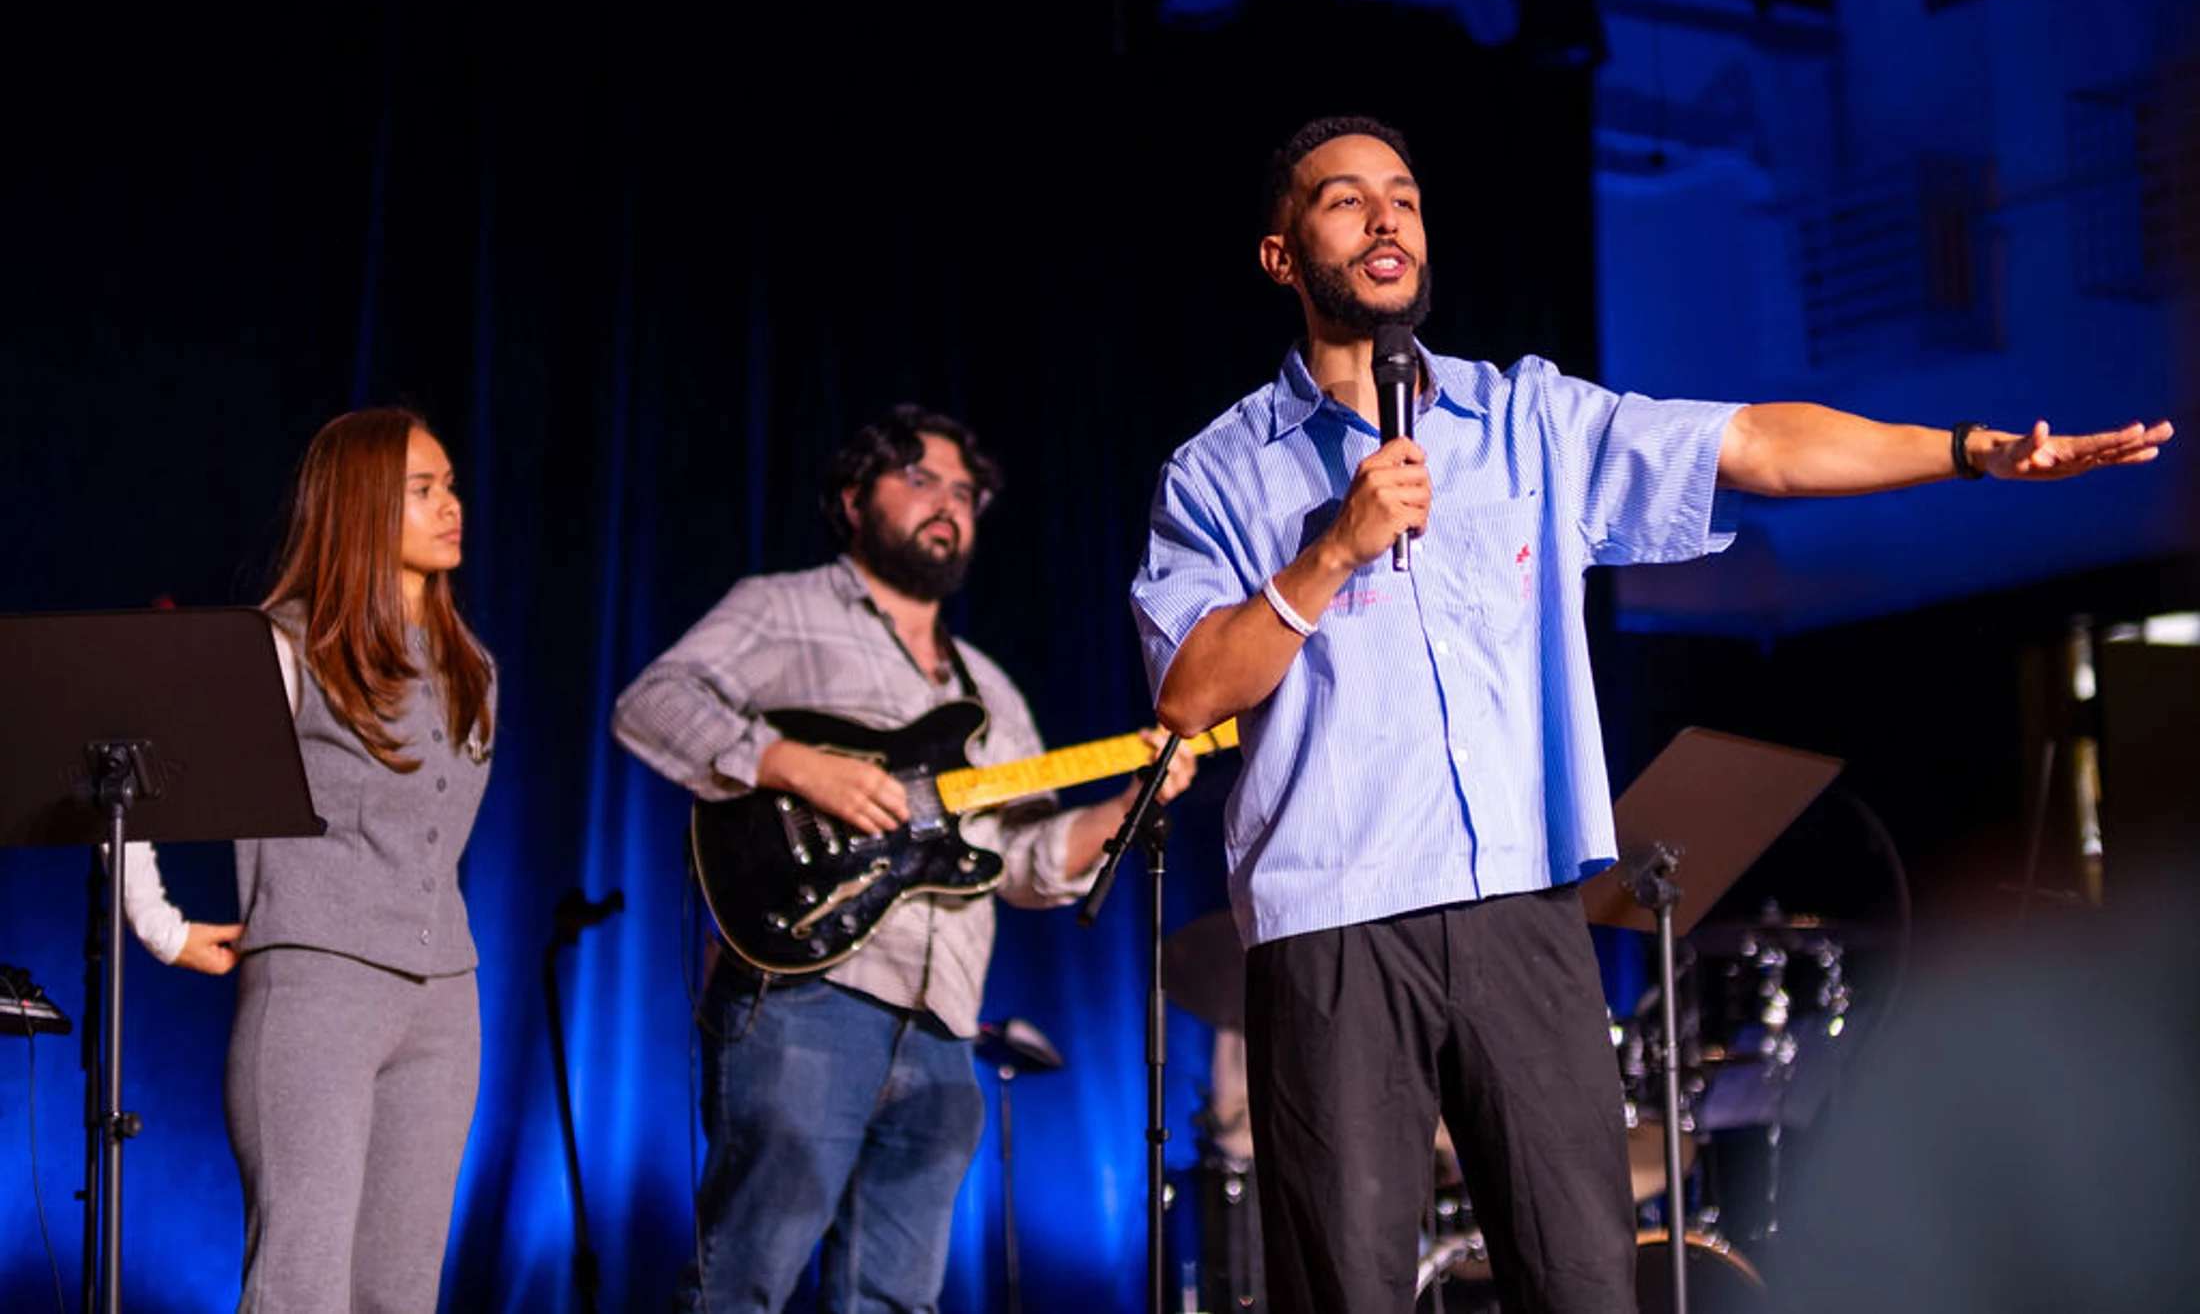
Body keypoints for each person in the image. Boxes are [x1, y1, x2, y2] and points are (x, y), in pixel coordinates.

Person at [1128, 115, 2174, 1314]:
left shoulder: (1527, 420)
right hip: (1335, 924)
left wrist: (1969, 451)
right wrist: (1332, 554)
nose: (1385, 220)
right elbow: (1191, 688)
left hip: (1522, 904)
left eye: (1405, 198)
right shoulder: (1214, 473)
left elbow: (1762, 445)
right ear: (1281, 255)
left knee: (1586, 1283)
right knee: (1346, 1292)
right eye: (1345, 199)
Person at [612, 403, 1195, 1314]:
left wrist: (1130, 802)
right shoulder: (783, 608)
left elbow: (1027, 861)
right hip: (805, 996)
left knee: (894, 1302)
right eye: (920, 479)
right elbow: (652, 703)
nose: (949, 505)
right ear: (852, 498)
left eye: (964, 493)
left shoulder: (989, 691)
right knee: (741, 1284)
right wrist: (798, 766)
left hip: (944, 1026)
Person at [124, 407, 496, 1314]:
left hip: (445, 1000)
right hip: (317, 990)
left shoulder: (471, 665)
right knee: (303, 1285)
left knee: (399, 1293)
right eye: (422, 489)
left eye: (449, 484)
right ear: (364, 505)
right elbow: (127, 777)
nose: (451, 505)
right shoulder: (284, 645)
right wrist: (159, 925)